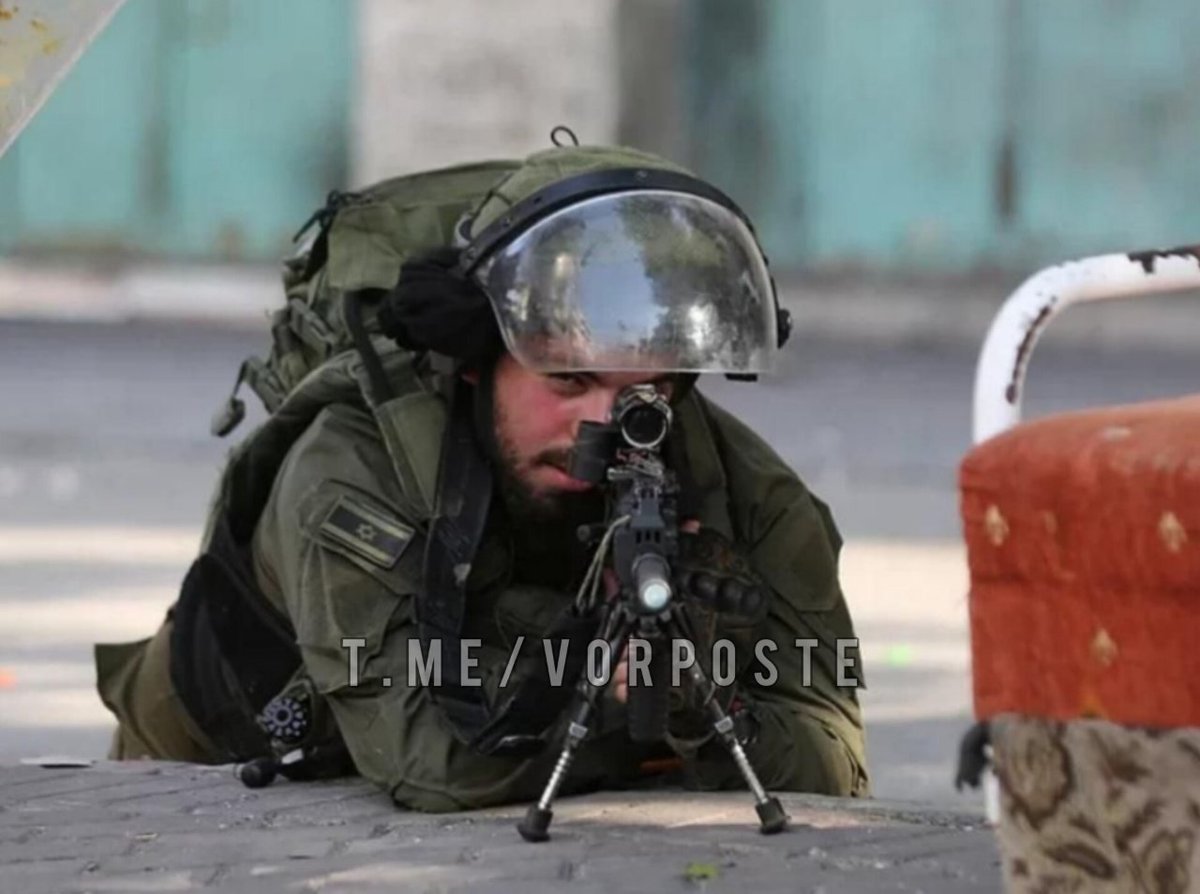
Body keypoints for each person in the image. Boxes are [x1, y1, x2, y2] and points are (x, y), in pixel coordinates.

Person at [93, 143, 871, 812]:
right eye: (568, 383)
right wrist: (615, 701)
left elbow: (835, 765)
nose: (604, 428)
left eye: (645, 397)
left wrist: (709, 710)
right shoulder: (353, 463)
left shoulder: (751, 495)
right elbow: (424, 759)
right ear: (476, 367)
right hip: (198, 770)